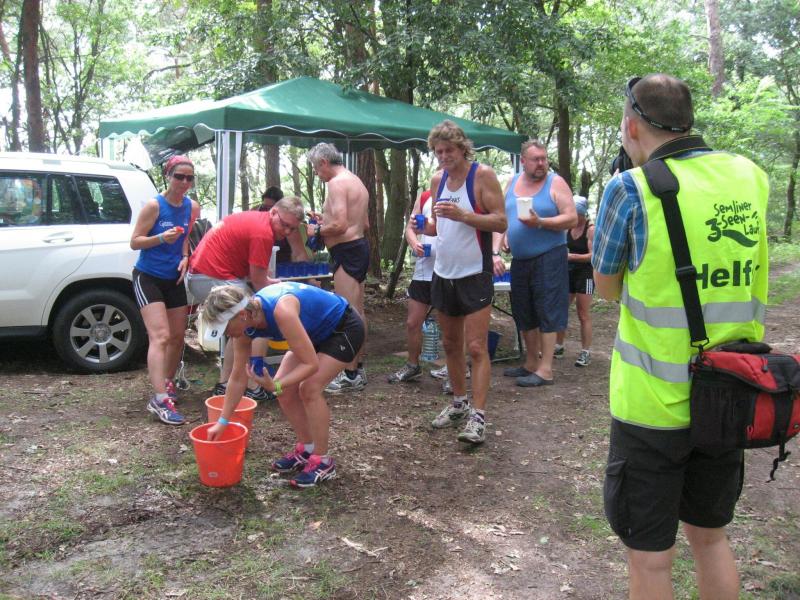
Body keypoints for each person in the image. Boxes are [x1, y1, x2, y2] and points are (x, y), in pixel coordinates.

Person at [592, 74, 768, 599]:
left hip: (653, 403)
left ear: (631, 126)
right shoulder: (749, 176)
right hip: (731, 392)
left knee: (650, 560)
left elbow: (606, 288)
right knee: (711, 538)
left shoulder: (630, 188)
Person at [201, 282, 365, 488]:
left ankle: (323, 461)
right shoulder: (244, 327)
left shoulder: (282, 311)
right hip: (314, 332)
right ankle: (307, 448)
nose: (226, 334)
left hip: (343, 328)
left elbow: (310, 364)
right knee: (285, 392)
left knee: (309, 389)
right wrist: (222, 421)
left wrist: (275, 384)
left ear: (242, 315)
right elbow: (237, 377)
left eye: (225, 328)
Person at [425, 120, 506, 444]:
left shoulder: (482, 176)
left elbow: (501, 221)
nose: (444, 156)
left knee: (475, 346)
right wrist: (423, 225)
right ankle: (459, 403)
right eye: (438, 152)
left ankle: (478, 416)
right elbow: (438, 226)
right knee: (449, 344)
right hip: (443, 271)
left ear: (462, 148)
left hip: (474, 272)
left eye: (449, 150)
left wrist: (465, 216)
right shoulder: (437, 180)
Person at [186, 196, 304, 399]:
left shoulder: (259, 222)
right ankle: (253, 384)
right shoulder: (263, 233)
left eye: (292, 229)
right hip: (209, 276)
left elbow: (257, 275)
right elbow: (259, 283)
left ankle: (227, 382)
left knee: (244, 322)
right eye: (284, 224)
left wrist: (269, 282)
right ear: (273, 212)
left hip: (206, 275)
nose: (286, 232)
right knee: (258, 316)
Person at [495, 140, 576, 387]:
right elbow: (503, 218)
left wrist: (541, 222)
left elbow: (571, 218)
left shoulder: (555, 182)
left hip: (549, 256)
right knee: (524, 311)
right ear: (523, 161)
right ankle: (531, 363)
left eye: (544, 158)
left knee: (548, 309)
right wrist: (500, 244)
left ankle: (546, 369)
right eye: (535, 159)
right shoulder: (512, 183)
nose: (541, 163)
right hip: (520, 260)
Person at [130, 155, 200, 425]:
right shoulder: (154, 206)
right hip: (148, 277)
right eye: (179, 176)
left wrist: (185, 257)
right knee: (160, 336)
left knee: (178, 337)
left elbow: (185, 238)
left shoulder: (191, 207)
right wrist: (160, 238)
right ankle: (159, 399)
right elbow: (135, 242)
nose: (184, 182)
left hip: (174, 278)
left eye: (189, 178)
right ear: (168, 176)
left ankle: (167, 383)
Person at [305, 142, 370, 393]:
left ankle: (350, 374)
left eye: (315, 168)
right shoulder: (355, 181)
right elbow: (362, 223)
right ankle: (357, 368)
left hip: (348, 251)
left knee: (348, 314)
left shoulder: (336, 183)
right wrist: (326, 220)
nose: (316, 173)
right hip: (357, 248)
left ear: (324, 162)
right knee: (358, 311)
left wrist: (316, 230)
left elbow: (341, 225)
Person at [387, 190, 436, 383]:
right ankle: (413, 365)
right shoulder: (425, 196)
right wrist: (415, 243)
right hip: (423, 270)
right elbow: (410, 228)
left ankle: (456, 370)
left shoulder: (460, 192)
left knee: (452, 325)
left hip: (449, 270)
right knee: (413, 322)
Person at [555, 195, 594, 367]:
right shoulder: (568, 228)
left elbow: (593, 256)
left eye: (575, 213)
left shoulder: (591, 229)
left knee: (583, 314)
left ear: (582, 214)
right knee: (561, 309)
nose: (572, 216)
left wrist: (571, 256)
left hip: (585, 274)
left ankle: (585, 352)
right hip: (568, 273)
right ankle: (558, 346)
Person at [258, 186, 310, 265]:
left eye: (270, 207)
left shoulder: (289, 224)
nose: (268, 211)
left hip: (282, 266)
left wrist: (306, 271)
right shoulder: (257, 215)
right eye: (265, 207)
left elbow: (299, 253)